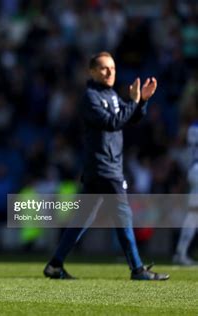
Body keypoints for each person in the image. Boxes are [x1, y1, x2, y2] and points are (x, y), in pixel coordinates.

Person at [43, 52, 169, 280]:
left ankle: (54, 265)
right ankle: (137, 269)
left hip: (103, 168)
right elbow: (113, 122)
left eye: (112, 68)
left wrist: (142, 102)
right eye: (103, 68)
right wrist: (133, 102)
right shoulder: (90, 98)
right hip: (104, 167)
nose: (110, 72)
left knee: (83, 219)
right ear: (92, 72)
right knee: (123, 215)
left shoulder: (110, 95)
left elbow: (130, 118)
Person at [173, 122, 198, 265]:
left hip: (193, 169)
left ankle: (180, 252)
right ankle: (180, 253)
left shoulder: (192, 127)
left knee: (193, 216)